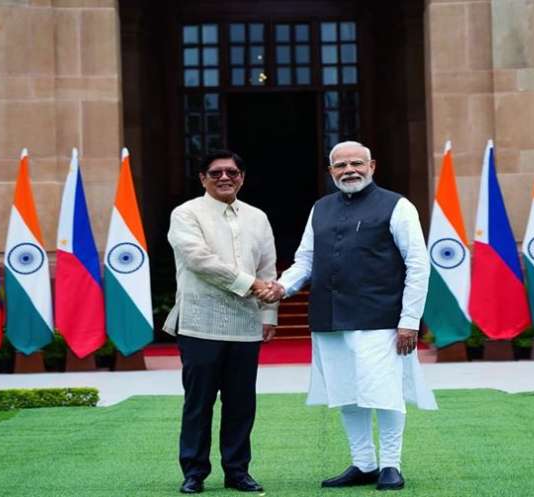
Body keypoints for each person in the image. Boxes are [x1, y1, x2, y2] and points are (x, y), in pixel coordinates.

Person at [257, 140, 437, 491]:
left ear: (372, 166)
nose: (349, 170)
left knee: (384, 392)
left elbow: (418, 265)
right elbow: (305, 260)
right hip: (330, 317)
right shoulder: (320, 208)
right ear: (330, 171)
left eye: (356, 163)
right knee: (347, 393)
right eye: (341, 165)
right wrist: (282, 287)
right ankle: (364, 463)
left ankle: (391, 465)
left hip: (381, 318)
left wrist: (409, 320)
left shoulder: (398, 206)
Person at [165, 150, 278, 494]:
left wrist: (269, 313)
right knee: (198, 403)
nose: (225, 177)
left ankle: (237, 471)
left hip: (245, 324)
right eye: (216, 173)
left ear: (242, 177)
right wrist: (251, 285)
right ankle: (194, 472)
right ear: (203, 178)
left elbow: (268, 267)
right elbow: (199, 260)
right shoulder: (186, 213)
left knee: (241, 404)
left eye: (232, 172)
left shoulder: (258, 217)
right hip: (200, 322)